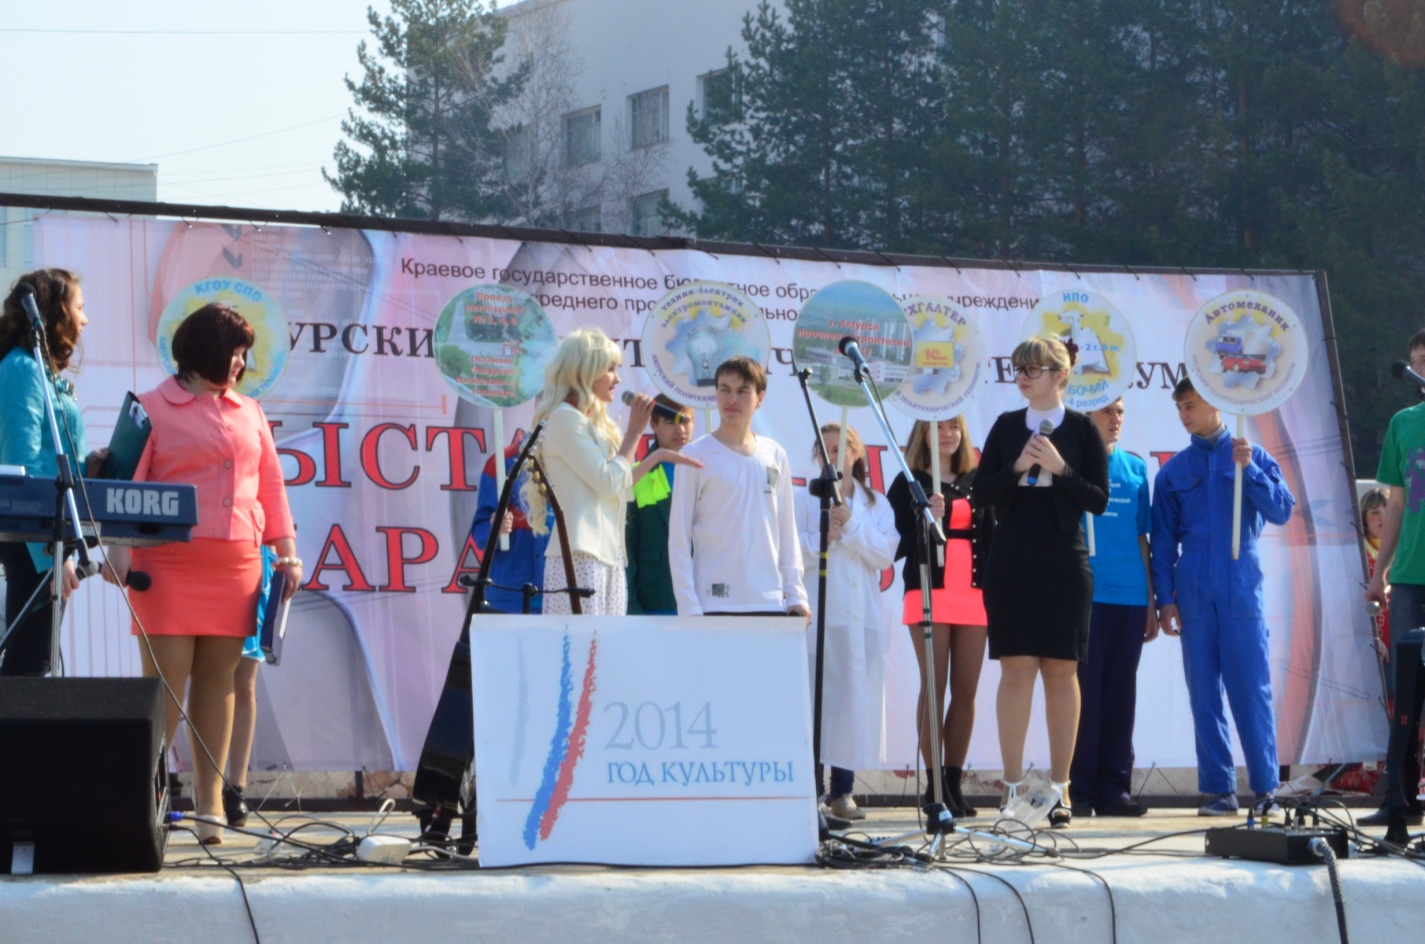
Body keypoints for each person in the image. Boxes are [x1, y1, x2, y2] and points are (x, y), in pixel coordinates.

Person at [104, 303, 300, 844]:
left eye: (244, 354)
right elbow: (124, 484)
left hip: (237, 565)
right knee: (164, 690)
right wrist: (118, 549)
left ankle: (210, 805)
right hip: (165, 565)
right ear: (205, 349)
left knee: (219, 683)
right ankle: (139, 804)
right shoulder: (149, 407)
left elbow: (271, 487)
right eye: (234, 352)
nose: (241, 363)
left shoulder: (250, 410)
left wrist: (287, 553)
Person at [972, 336, 1109, 828]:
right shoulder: (1006, 426)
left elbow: (1097, 499)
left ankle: (1059, 788)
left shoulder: (1083, 429)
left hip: (1064, 560)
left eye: (1033, 369)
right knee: (1015, 669)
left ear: (1060, 374)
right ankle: (1011, 788)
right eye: (1019, 369)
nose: (1023, 377)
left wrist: (1060, 468)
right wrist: (1017, 467)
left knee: (1061, 671)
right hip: (1011, 559)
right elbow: (980, 492)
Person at [1152, 378, 1295, 817]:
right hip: (1193, 584)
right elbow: (1162, 541)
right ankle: (1219, 790)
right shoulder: (1173, 471)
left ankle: (1266, 789)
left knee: (1251, 688)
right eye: (1179, 407)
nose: (1184, 415)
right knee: (1203, 693)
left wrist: (1249, 469)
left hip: (1240, 580)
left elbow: (1282, 511)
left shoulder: (1253, 455)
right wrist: (1165, 598)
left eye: (1191, 405)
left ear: (1216, 403)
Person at [523, 328, 691, 615]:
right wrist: (634, 433)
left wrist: (656, 457)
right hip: (580, 554)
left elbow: (620, 488)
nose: (618, 379)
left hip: (608, 554)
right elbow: (610, 482)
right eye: (610, 369)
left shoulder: (592, 425)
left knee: (606, 642)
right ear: (585, 371)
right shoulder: (564, 419)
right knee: (583, 641)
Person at [0, 270, 104, 677]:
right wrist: (49, 554)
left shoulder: (39, 371)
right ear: (54, 313)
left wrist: (88, 467)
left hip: (46, 530)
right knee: (28, 663)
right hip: (34, 534)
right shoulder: (22, 368)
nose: (85, 319)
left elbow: (49, 458)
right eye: (79, 307)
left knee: (35, 661)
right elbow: (21, 465)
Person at [886, 416, 991, 818]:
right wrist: (925, 517)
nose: (947, 434)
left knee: (965, 691)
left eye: (954, 427)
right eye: (938, 427)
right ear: (923, 435)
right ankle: (934, 787)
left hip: (974, 593)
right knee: (934, 684)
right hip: (929, 590)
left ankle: (953, 782)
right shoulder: (909, 482)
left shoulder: (976, 479)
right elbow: (893, 544)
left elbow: (992, 536)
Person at [795, 423, 897, 821]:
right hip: (825, 615)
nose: (833, 457)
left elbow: (885, 555)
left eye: (840, 449)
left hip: (862, 620)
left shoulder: (877, 504)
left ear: (856, 453)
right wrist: (822, 537)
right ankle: (811, 791)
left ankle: (842, 791)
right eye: (825, 450)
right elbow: (790, 551)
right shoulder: (804, 499)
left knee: (851, 704)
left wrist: (851, 525)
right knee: (817, 704)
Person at [667, 356, 808, 618]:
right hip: (712, 603)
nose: (732, 400)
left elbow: (786, 531)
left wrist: (796, 594)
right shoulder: (694, 455)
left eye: (742, 391)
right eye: (725, 390)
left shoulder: (775, 454)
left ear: (760, 398)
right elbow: (679, 538)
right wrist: (688, 604)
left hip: (768, 600)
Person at [1069, 397, 1156, 818]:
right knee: (1084, 694)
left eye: (1120, 410)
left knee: (1122, 694)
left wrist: (1151, 600)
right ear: (1087, 415)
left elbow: (1142, 538)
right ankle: (1081, 790)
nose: (1115, 418)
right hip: (1086, 596)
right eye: (1106, 410)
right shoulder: (1071, 466)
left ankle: (1116, 789)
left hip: (1130, 598)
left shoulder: (1135, 468)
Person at [1363, 331, 1425, 838]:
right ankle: (1400, 800)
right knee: (1406, 697)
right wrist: (1380, 571)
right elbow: (1397, 504)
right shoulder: (1404, 423)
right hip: (1409, 578)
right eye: (1418, 362)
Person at [625, 394, 694, 615]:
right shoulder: (635, 476)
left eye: (685, 421)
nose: (680, 430)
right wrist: (631, 608)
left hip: (705, 602)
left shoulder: (710, 471)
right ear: (653, 424)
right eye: (670, 422)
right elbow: (626, 551)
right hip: (655, 602)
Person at [472, 430, 552, 614]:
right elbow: (480, 534)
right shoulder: (502, 462)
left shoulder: (579, 460)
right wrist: (495, 529)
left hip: (564, 594)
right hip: (510, 597)